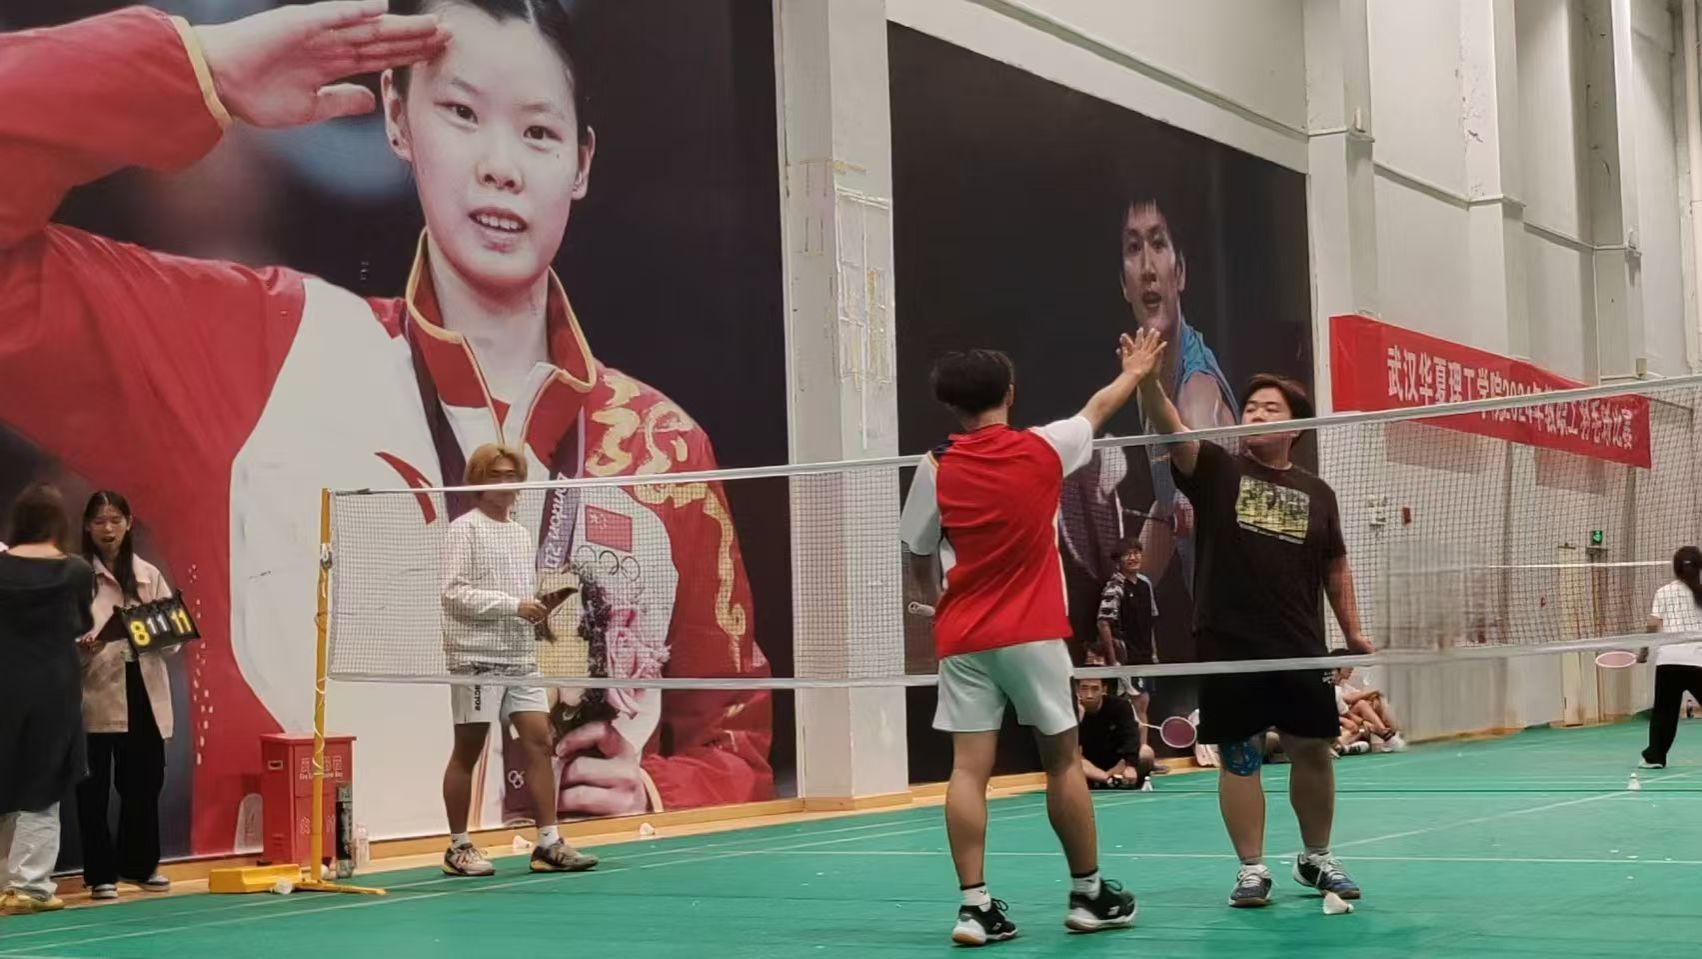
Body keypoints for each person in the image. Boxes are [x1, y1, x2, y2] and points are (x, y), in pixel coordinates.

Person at [0, 0, 771, 853]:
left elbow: (736, 744)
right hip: (311, 915)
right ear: (398, 118)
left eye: (539, 132)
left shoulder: (660, 448)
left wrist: (659, 792)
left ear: (581, 162)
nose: (500, 166)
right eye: (462, 113)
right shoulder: (257, 357)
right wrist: (199, 68)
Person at [900, 332, 1158, 946]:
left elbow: (917, 551)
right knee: (1062, 761)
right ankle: (1088, 895)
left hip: (964, 636)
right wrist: (1136, 370)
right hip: (1033, 632)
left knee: (968, 770)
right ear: (1010, 393)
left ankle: (974, 908)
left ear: (950, 404)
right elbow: (1098, 407)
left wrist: (936, 602)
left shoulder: (935, 467)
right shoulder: (1045, 447)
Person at [1132, 345, 1373, 910]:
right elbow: (1174, 430)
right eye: (1250, 407)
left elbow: (1335, 565)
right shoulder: (1218, 469)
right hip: (1228, 642)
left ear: (1296, 426)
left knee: (1312, 751)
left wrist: (1353, 633)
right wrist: (1147, 384)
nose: (1256, 415)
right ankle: (1251, 868)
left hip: (1300, 644)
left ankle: (1316, 857)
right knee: (1239, 755)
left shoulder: (1319, 493)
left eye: (1270, 408)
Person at [439, 443, 596, 876]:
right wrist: (513, 605)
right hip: (475, 659)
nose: (506, 483)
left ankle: (548, 844)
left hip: (520, 658)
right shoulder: (464, 530)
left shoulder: (521, 534)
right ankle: (458, 848)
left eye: (512, 475)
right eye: (496, 476)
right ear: (477, 482)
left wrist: (537, 607)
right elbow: (453, 593)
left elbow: (519, 597)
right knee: (468, 750)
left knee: (540, 742)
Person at [75, 491, 179, 900]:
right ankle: (100, 874)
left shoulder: (148, 575)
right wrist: (85, 645)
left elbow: (174, 640)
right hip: (94, 692)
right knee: (93, 788)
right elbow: (60, 641)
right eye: (100, 521)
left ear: (129, 523)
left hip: (144, 689)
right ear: (87, 527)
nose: (108, 529)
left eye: (115, 520)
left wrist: (149, 630)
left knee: (145, 782)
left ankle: (140, 864)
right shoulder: (77, 576)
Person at [0, 484, 95, 914]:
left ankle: (6, 882)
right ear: (60, 522)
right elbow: (81, 623)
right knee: (43, 784)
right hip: (53, 688)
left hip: (4, 684)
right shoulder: (75, 570)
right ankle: (30, 886)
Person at [1639, 546, 1702, 769]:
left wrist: (1644, 651)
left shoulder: (1664, 592)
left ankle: (1655, 757)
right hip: (1697, 661)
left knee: (1664, 712)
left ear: (1675, 568)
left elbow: (1652, 624)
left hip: (1669, 661)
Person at [1095, 540, 1158, 743]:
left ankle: (1142, 751)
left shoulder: (1146, 584)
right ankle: (1133, 753)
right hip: (1127, 659)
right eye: (1127, 554)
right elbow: (1103, 623)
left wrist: (1154, 653)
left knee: (1143, 704)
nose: (1133, 557)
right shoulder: (1114, 587)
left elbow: (1151, 620)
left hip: (1145, 656)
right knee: (1136, 704)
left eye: (1136, 552)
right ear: (1118, 561)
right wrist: (1114, 661)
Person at [1075, 678, 1154, 790]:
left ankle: (1110, 779)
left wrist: (1130, 765)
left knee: (1146, 753)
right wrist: (1079, 717)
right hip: (1089, 765)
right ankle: (1107, 779)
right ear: (1077, 690)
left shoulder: (1121, 706)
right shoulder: (1071, 710)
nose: (1089, 695)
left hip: (1118, 762)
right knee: (1073, 760)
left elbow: (1131, 737)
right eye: (1084, 688)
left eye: (1095, 689)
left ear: (1104, 689)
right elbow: (1072, 750)